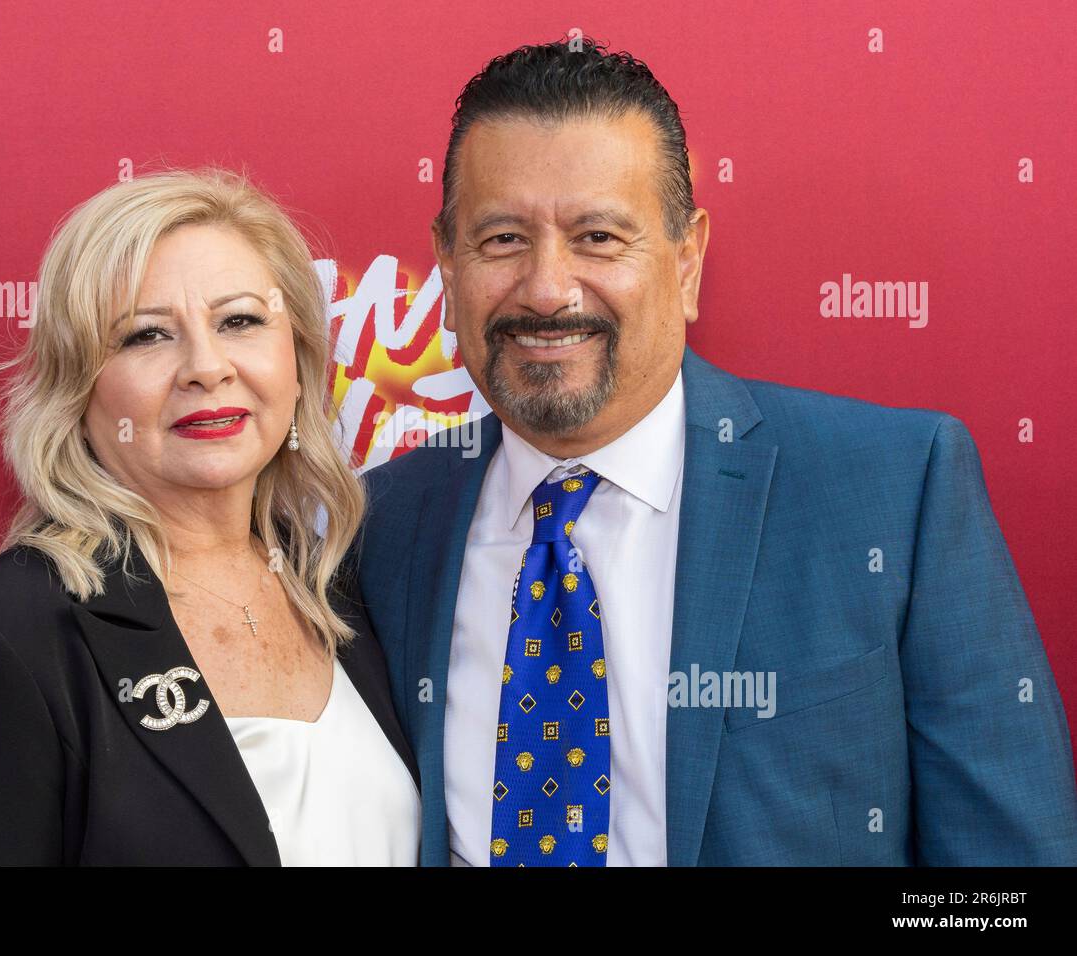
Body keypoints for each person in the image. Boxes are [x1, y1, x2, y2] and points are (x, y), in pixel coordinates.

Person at [354, 37, 1077, 866]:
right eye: (503, 240)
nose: (548, 288)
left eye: (597, 235)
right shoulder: (381, 528)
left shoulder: (895, 491)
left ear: (687, 258)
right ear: (447, 262)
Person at [0, 167, 421, 865]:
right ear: (77, 386)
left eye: (240, 321)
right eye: (146, 336)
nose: (206, 366)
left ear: (300, 358)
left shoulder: (351, 592)